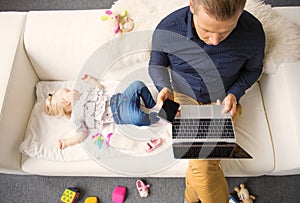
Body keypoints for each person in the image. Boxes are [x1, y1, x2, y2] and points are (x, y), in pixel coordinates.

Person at [148, 0, 265, 202]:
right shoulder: (168, 28)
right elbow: (156, 63)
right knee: (204, 164)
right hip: (184, 98)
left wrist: (235, 93)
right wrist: (164, 88)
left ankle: (191, 198)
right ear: (192, 5)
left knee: (202, 165)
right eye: (207, 30)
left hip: (223, 101)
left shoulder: (253, 33)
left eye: (226, 31)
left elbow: (253, 70)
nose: (215, 40)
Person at [45, 74, 160, 150]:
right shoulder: (76, 117)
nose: (72, 89)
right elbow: (81, 134)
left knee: (137, 84)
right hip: (119, 113)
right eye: (68, 91)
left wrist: (90, 80)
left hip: (120, 98)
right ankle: (159, 117)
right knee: (138, 118)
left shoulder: (85, 94)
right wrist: (67, 142)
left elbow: (99, 87)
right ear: (66, 103)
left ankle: (153, 105)